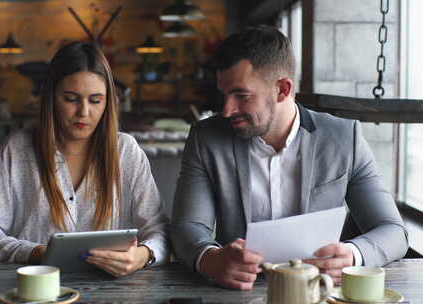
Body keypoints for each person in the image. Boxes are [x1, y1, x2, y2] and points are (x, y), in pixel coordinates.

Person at [171, 25, 408, 290]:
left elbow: (393, 231)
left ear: (283, 89)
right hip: (237, 293)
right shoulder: (207, 138)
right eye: (224, 94)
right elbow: (187, 227)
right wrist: (210, 259)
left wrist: (353, 254)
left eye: (242, 95)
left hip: (318, 291)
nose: (226, 110)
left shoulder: (343, 138)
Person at [0, 42, 169, 276]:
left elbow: (159, 230)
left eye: (95, 100)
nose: (83, 112)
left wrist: (142, 255)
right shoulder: (18, 149)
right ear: (51, 97)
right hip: (33, 290)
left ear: (108, 102)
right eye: (71, 99)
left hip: (111, 293)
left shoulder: (126, 151)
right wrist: (36, 253)